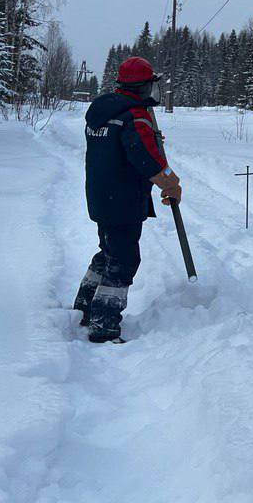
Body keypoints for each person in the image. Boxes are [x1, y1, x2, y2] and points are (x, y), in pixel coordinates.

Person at [72, 56, 183, 343]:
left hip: (101, 195)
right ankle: (104, 324)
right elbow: (147, 159)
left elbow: (121, 148)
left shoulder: (103, 111)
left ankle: (84, 307)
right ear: (144, 86)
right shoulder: (134, 116)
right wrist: (171, 182)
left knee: (108, 251)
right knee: (123, 259)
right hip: (122, 200)